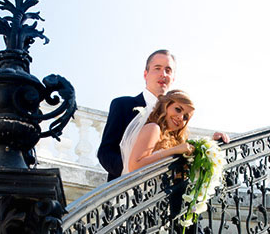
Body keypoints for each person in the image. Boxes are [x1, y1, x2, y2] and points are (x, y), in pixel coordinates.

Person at [97, 49, 228, 181]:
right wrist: (132, 176)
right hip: (125, 190)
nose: (163, 74)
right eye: (157, 68)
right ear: (145, 74)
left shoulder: (177, 118)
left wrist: (212, 143)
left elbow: (184, 150)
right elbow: (105, 153)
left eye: (168, 70)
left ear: (173, 78)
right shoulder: (122, 105)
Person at [124, 90, 195, 173]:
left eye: (186, 117)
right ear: (166, 106)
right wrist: (174, 150)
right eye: (178, 109)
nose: (180, 117)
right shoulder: (153, 128)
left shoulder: (169, 138)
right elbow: (134, 167)